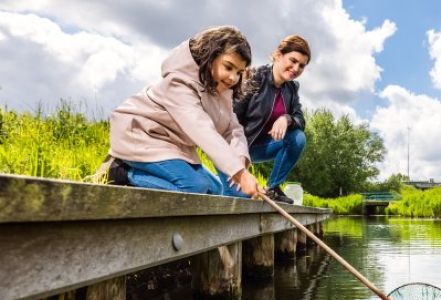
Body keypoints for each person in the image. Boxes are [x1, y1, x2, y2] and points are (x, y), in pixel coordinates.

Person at [107, 26, 264, 198]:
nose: (233, 78)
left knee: (214, 190)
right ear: (211, 57)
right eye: (228, 67)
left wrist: (239, 158)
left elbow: (232, 128)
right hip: (141, 135)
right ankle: (123, 172)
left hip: (173, 145)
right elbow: (201, 129)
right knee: (194, 189)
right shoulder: (178, 83)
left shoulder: (221, 90)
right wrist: (239, 173)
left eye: (239, 72)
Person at [220, 35, 311, 204]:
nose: (296, 68)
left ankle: (273, 188)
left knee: (298, 138)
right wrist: (237, 160)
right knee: (239, 198)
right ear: (278, 55)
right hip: (232, 147)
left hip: (260, 148)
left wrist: (286, 118)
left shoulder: (291, 89)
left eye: (301, 66)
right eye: (293, 60)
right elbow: (230, 120)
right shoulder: (253, 77)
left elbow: (300, 120)